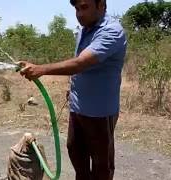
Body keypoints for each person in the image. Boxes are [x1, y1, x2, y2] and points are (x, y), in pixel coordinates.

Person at [17, 0, 127, 179]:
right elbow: (80, 64)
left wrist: (41, 69)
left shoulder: (112, 31)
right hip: (78, 106)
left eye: (84, 7)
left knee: (101, 165)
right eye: (76, 8)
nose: (79, 13)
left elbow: (80, 63)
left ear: (101, 6)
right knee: (75, 151)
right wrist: (73, 87)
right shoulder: (84, 30)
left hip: (99, 111)